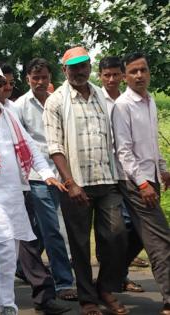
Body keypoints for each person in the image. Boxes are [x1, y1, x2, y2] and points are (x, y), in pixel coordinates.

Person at [0, 62, 69, 315]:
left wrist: (48, 174)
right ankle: (8, 305)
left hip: (15, 193)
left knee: (8, 252)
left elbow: (31, 148)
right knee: (5, 250)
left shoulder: (9, 113)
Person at [43, 46, 128, 315]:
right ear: (65, 69)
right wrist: (70, 183)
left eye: (83, 65)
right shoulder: (56, 101)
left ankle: (104, 287)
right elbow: (55, 147)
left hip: (107, 178)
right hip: (76, 184)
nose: (80, 71)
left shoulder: (102, 96)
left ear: (89, 66)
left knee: (116, 235)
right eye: (74, 67)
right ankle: (88, 300)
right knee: (80, 245)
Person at [13, 58, 77, 301]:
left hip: (64, 173)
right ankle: (63, 282)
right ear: (27, 79)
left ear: (51, 77)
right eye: (35, 77)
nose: (40, 82)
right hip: (37, 176)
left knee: (42, 227)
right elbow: (19, 145)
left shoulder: (59, 102)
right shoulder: (20, 106)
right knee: (53, 229)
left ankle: (23, 266)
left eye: (44, 77)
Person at [112, 52, 170, 315]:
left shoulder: (150, 103)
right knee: (161, 241)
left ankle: (105, 282)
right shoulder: (123, 105)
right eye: (133, 71)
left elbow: (152, 144)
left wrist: (162, 170)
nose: (139, 76)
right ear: (125, 76)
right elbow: (123, 151)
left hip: (151, 178)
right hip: (136, 183)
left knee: (135, 237)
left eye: (143, 70)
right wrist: (144, 184)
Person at [98, 56, 146, 293]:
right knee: (117, 231)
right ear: (100, 76)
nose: (112, 79)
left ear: (123, 75)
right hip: (110, 175)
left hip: (134, 174)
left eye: (116, 74)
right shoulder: (97, 99)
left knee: (138, 231)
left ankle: (118, 275)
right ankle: (111, 280)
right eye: (107, 75)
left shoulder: (135, 100)